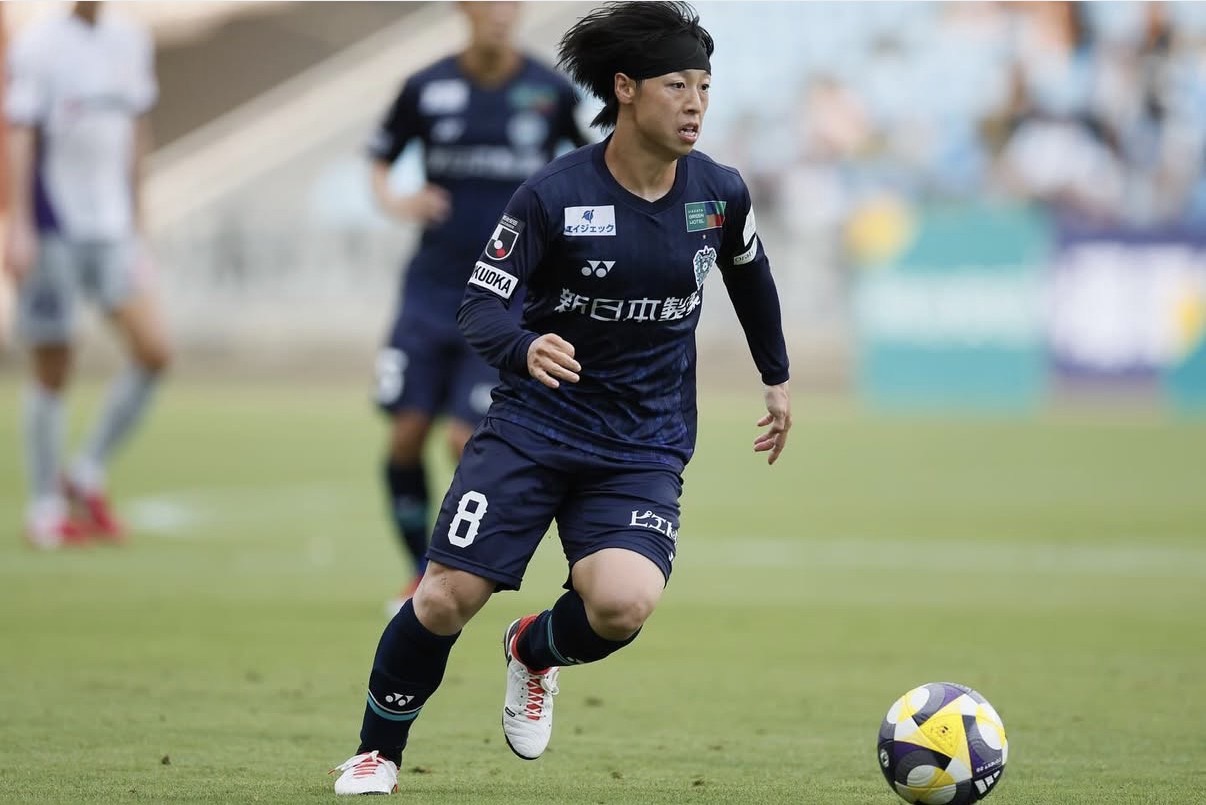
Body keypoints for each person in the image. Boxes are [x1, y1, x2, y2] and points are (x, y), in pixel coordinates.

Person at [331, 1, 791, 794]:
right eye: (677, 85)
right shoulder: (553, 194)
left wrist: (775, 376)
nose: (695, 104)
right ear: (625, 89)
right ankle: (378, 751)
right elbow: (481, 303)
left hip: (641, 443)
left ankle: (532, 650)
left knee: (622, 605)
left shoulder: (719, 192)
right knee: (442, 598)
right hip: (533, 429)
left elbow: (750, 274)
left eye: (704, 87)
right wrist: (523, 345)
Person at [367, 1, 588, 614]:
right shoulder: (425, 86)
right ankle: (417, 570)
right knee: (406, 435)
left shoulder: (548, 90)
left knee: (465, 438)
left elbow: (591, 164)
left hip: (504, 297)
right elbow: (380, 158)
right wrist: (399, 200)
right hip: (431, 290)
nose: (500, 12)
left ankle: (456, 568)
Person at [3, 0, 169, 548]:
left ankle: (85, 472)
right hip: (54, 224)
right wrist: (18, 225)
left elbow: (136, 132)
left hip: (113, 227)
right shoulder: (39, 42)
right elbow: (20, 134)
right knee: (55, 363)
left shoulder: (130, 39)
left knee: (154, 351)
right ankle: (45, 509)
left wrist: (140, 222)